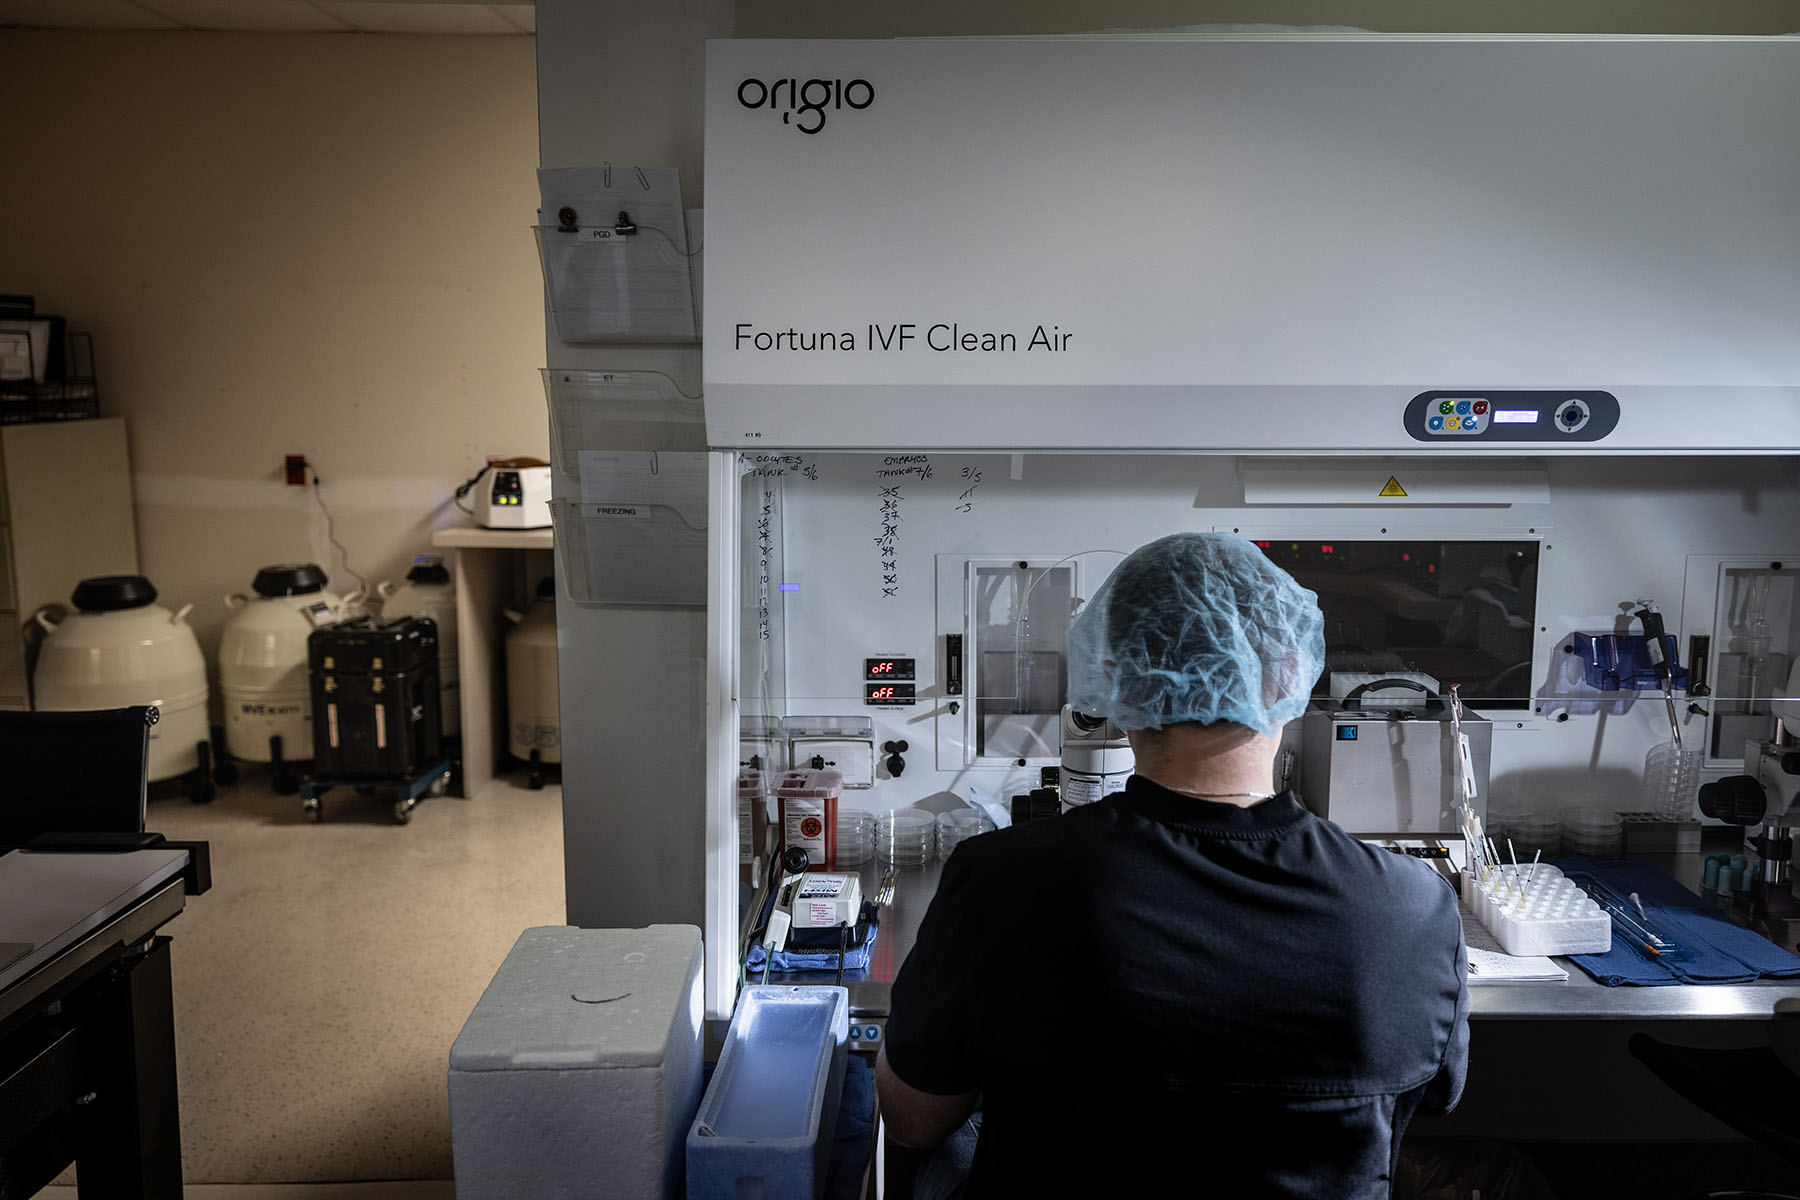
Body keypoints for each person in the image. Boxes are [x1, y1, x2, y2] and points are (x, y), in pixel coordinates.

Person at [876, 531, 1470, 1198]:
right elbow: (1437, 1097)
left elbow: (912, 1120)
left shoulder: (1002, 881)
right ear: (1288, 674)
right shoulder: (1413, 907)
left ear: (1118, 675)